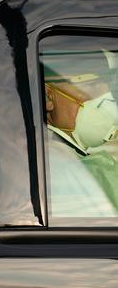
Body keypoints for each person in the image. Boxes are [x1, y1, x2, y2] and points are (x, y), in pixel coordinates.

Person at [42, 50, 118, 217]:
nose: (106, 99)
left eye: (108, 87)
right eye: (90, 86)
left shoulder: (71, 155)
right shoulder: (56, 163)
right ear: (49, 97)